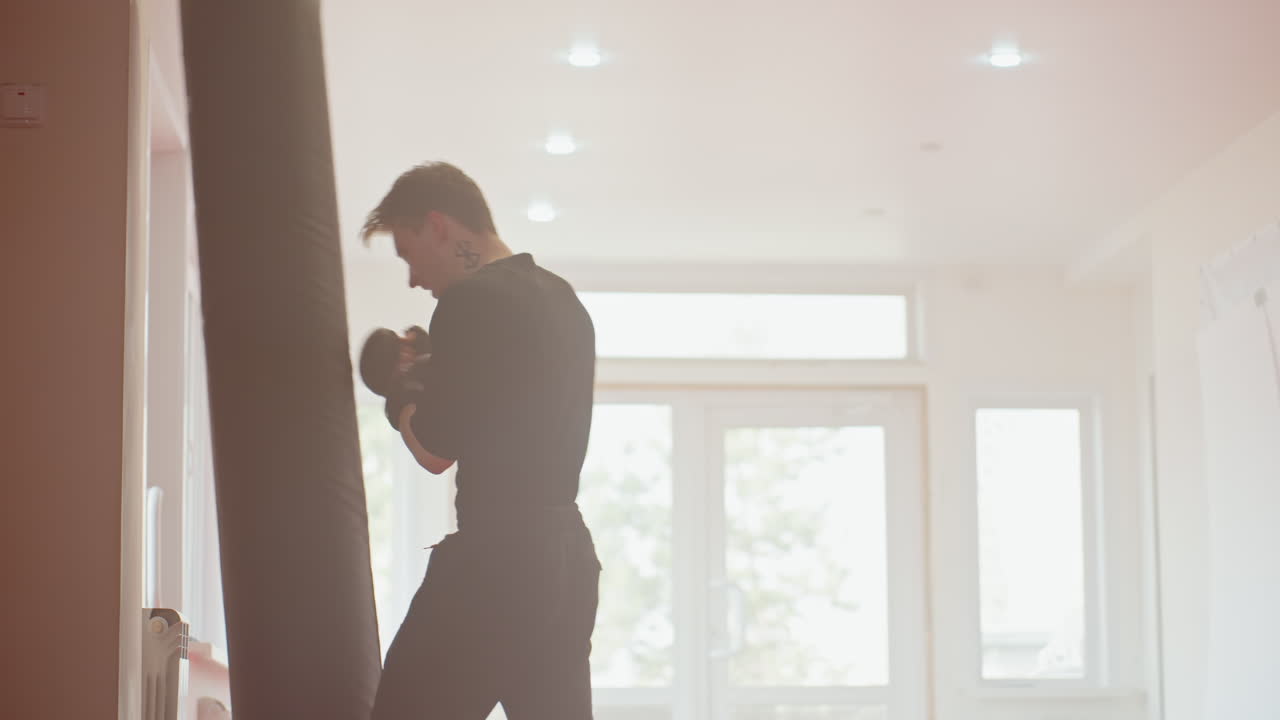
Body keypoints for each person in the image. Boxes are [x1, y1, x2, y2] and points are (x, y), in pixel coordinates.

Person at [361, 162, 601, 719]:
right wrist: (435, 371)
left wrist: (400, 396)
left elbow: (435, 452)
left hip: (500, 558)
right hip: (567, 559)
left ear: (439, 226)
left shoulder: (470, 301)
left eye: (408, 253)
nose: (413, 279)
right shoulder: (564, 300)